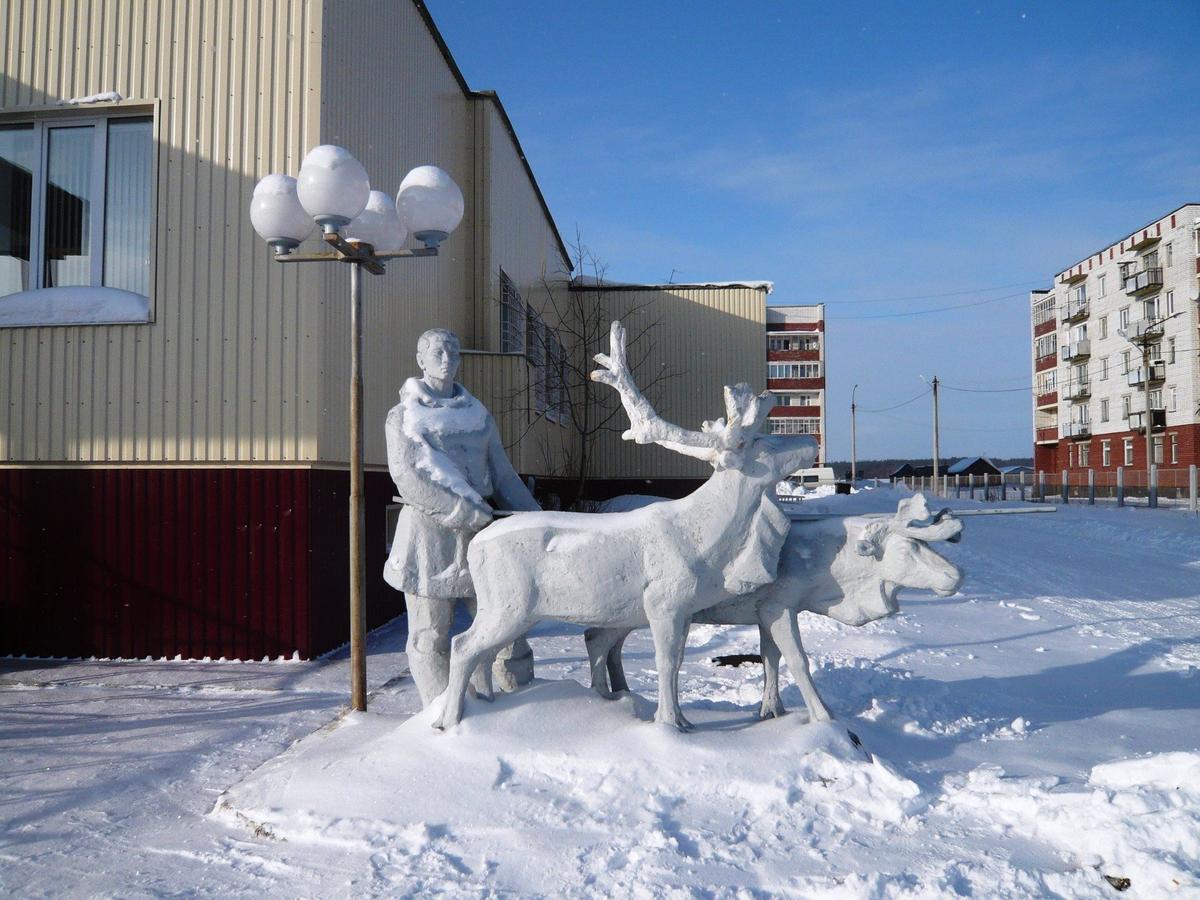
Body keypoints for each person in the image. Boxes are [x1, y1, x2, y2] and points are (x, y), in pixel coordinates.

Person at [384, 328, 540, 707]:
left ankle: (525, 711)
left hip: (482, 539)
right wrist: (460, 511)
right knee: (429, 635)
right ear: (421, 359)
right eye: (437, 351)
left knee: (507, 630)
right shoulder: (404, 416)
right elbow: (408, 476)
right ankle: (445, 715)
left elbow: (501, 474)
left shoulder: (476, 415)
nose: (446, 357)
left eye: (453, 350)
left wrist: (536, 521)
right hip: (428, 538)